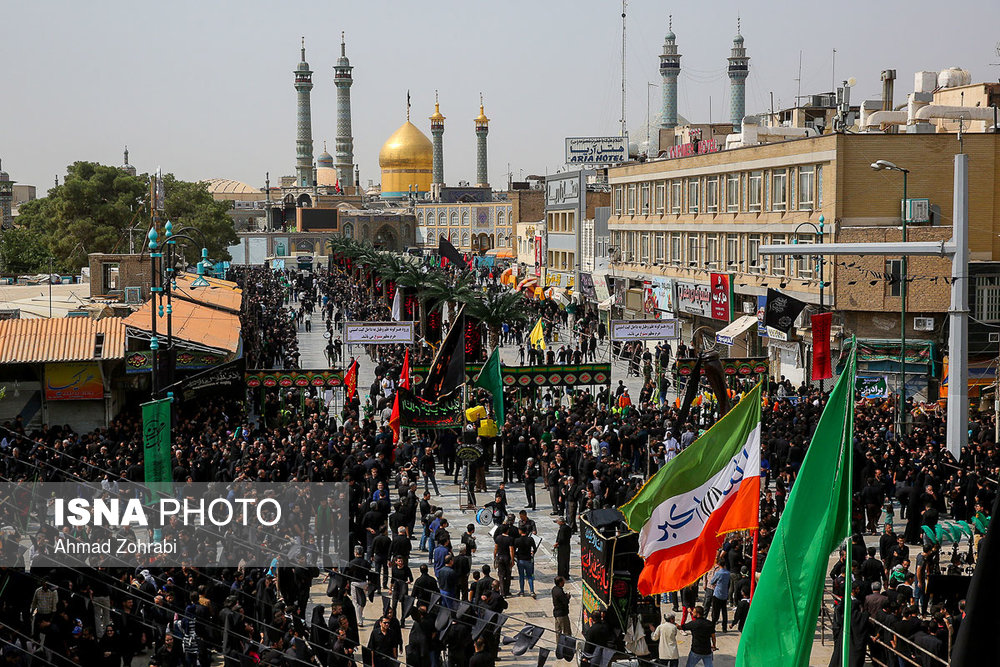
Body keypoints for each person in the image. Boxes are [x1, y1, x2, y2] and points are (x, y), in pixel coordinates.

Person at [707, 562, 730, 633]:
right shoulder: (728, 573)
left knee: (715, 612)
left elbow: (711, 581)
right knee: (724, 612)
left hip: (717, 594)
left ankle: (713, 627)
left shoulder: (718, 573)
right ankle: (724, 628)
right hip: (725, 594)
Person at [514, 525, 536, 598]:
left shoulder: (517, 540)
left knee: (521, 576)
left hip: (520, 560)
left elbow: (514, 550)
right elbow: (534, 548)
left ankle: (522, 591)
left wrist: (516, 555)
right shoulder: (530, 539)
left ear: (520, 531)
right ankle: (532, 591)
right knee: (530, 576)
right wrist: (532, 553)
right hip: (528, 559)